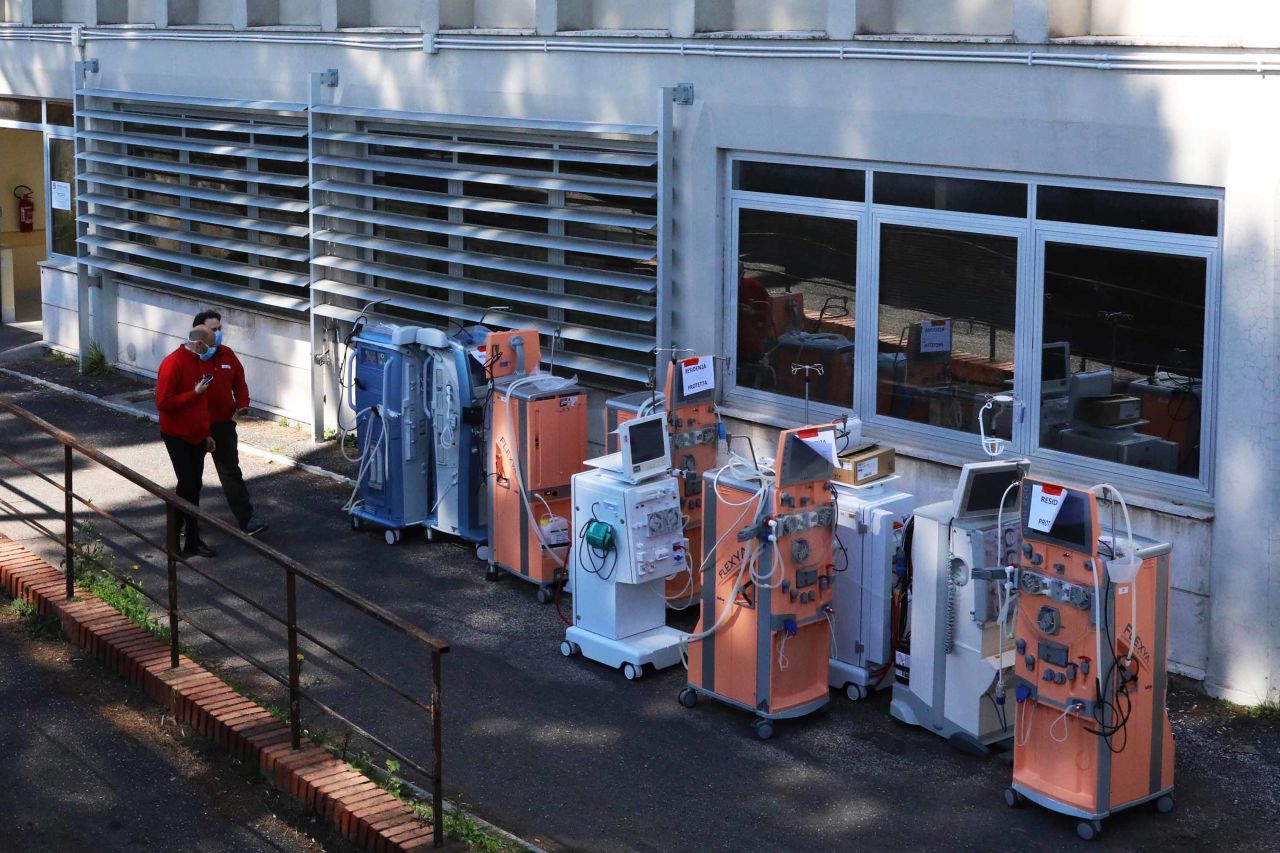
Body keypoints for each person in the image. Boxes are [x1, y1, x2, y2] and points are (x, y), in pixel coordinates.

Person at [193, 310, 268, 537]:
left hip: (223, 425)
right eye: (212, 330)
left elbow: (240, 383)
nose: (218, 333)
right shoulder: (188, 358)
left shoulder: (227, 355)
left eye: (219, 329)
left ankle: (247, 519)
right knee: (191, 478)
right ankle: (188, 524)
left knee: (231, 473)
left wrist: (242, 404)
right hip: (195, 427)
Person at [156, 326, 218, 557]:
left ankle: (192, 540)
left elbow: (201, 405)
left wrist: (206, 433)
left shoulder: (198, 362)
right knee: (188, 486)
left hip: (196, 436)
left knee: (194, 488)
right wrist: (194, 393)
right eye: (211, 346)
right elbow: (163, 402)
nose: (213, 350)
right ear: (200, 344)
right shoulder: (173, 363)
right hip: (176, 435)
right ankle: (176, 537)